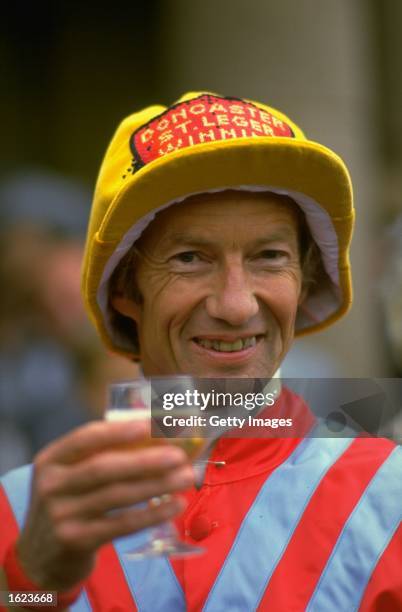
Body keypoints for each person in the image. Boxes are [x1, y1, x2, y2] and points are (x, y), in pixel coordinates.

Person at [0, 92, 401, 611]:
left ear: (302, 283)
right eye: (190, 258)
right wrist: (33, 587)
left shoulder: (391, 498)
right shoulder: (22, 509)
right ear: (125, 290)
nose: (235, 305)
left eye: (269, 257)